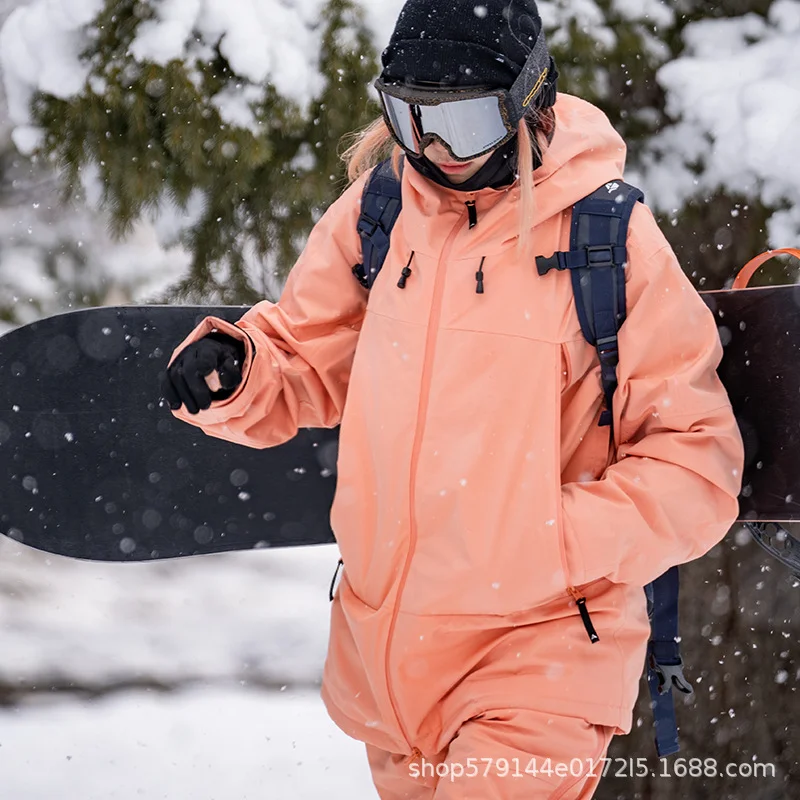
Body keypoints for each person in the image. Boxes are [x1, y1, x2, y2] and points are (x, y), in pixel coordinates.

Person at [160, 1, 745, 797]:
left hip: (537, 659)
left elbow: (696, 463)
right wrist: (243, 370)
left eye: (463, 122)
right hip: (389, 660)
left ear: (526, 104)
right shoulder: (381, 213)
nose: (432, 147)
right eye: (407, 116)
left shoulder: (607, 240)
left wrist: (547, 541)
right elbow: (309, 359)